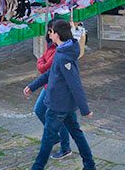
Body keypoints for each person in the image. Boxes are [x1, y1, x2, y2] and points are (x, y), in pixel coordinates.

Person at [24, 19, 96, 170]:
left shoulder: (63, 56)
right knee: (77, 134)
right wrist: (33, 86)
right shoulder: (63, 51)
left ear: (57, 34)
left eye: (51, 32)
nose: (49, 35)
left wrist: (85, 109)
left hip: (58, 106)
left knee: (47, 141)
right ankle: (90, 166)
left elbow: (75, 84)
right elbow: (51, 73)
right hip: (65, 105)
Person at [33, 36, 72, 160]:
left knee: (58, 118)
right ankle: (55, 137)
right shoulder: (52, 46)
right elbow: (42, 60)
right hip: (48, 85)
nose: (49, 35)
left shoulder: (60, 50)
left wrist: (41, 63)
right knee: (39, 110)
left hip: (56, 87)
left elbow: (43, 67)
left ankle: (65, 147)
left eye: (52, 32)